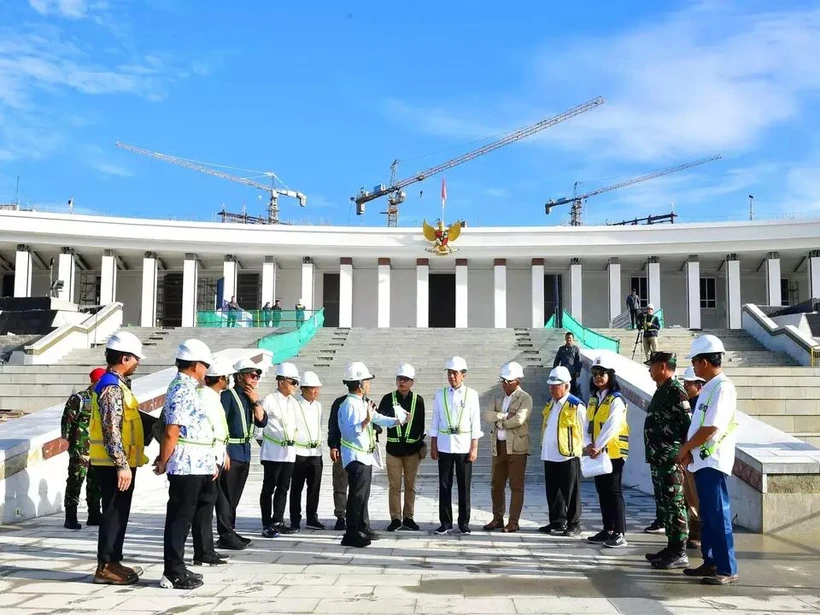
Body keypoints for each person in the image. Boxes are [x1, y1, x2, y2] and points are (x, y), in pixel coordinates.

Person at [156, 339, 224, 590]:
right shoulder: (181, 389)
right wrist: (163, 460)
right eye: (205, 365)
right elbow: (172, 430)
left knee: (186, 517)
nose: (206, 370)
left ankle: (179, 566)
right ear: (196, 365)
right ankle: (172, 572)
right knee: (179, 519)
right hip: (186, 465)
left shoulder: (188, 387)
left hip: (198, 463)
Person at [675, 335, 739, 585]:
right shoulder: (710, 387)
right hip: (701, 460)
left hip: (712, 460)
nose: (694, 365)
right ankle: (711, 562)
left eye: (695, 361)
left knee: (718, 515)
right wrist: (689, 450)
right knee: (708, 516)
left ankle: (726, 568)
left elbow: (711, 427)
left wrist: (686, 448)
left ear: (703, 361)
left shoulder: (723, 388)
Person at [88, 331, 148, 585]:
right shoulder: (111, 387)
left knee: (119, 513)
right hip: (113, 464)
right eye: (135, 359)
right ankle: (105, 567)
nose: (138, 363)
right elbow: (111, 427)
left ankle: (114, 561)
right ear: (124, 358)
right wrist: (122, 464)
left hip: (119, 462)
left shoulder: (117, 384)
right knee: (113, 513)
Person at [337, 362, 406, 547]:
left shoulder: (361, 402)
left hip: (364, 456)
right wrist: (365, 421)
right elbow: (350, 433)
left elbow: (377, 418)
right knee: (356, 496)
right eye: (367, 381)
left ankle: (360, 528)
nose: (369, 384)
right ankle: (350, 534)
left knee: (363, 495)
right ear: (359, 384)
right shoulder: (349, 405)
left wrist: (397, 421)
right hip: (355, 456)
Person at [644, 351, 692, 571]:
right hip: (659, 458)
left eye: (652, 366)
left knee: (675, 504)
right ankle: (671, 547)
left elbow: (687, 425)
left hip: (671, 459)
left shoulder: (675, 391)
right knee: (665, 504)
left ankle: (679, 551)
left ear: (662, 367)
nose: (649, 369)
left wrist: (683, 454)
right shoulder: (662, 390)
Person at [216, 358, 268, 550]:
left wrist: (255, 401)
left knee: (235, 496)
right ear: (239, 377)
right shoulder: (228, 396)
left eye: (257, 376)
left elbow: (262, 422)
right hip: (231, 452)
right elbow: (219, 425)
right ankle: (225, 534)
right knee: (225, 496)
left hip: (244, 452)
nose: (255, 379)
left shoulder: (250, 397)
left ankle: (230, 530)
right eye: (252, 375)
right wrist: (223, 452)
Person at [430, 356, 483, 535]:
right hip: (445, 445)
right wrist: (433, 444)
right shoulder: (440, 394)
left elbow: (475, 422)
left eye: (455, 373)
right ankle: (445, 522)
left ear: (463, 375)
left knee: (464, 486)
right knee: (444, 485)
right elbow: (435, 419)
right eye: (449, 373)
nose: (451, 376)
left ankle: (464, 522)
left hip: (464, 446)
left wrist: (474, 447)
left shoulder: (472, 394)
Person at [585, 354, 630, 548]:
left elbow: (612, 425)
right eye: (595, 373)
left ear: (611, 375)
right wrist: (588, 444)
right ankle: (608, 529)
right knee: (602, 492)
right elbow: (585, 424)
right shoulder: (594, 400)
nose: (598, 377)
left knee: (613, 491)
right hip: (598, 452)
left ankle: (619, 533)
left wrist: (598, 445)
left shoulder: (616, 400)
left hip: (613, 453)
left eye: (602, 373)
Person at [483, 361, 532, 534]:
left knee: (516, 486)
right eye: (503, 380)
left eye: (508, 381)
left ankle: (513, 521)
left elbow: (519, 419)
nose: (504, 384)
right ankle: (497, 518)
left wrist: (501, 423)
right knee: (496, 484)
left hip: (517, 449)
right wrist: (503, 416)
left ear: (517, 381)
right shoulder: (498, 397)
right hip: (499, 446)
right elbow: (487, 415)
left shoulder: (525, 398)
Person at [538, 366, 586, 537]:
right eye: (550, 385)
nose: (552, 389)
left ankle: (574, 523)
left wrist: (585, 450)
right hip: (550, 454)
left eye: (556, 385)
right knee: (553, 491)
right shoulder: (550, 404)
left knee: (571, 492)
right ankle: (557, 521)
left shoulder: (576, 405)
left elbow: (584, 429)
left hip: (568, 455)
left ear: (567, 386)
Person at [379, 364, 426, 532]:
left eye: (405, 379)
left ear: (412, 382)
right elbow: (379, 419)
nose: (402, 382)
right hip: (393, 449)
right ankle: (395, 518)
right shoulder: (387, 398)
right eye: (399, 379)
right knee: (394, 485)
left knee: (410, 485)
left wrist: (421, 446)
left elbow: (420, 425)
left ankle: (409, 517)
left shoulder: (418, 400)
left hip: (412, 450)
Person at [259, 362, 301, 536]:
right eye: (293, 382)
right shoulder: (269, 399)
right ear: (282, 381)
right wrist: (267, 445)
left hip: (289, 452)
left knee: (284, 488)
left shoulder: (294, 403)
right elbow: (258, 428)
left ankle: (278, 519)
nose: (295, 387)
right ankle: (266, 523)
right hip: (272, 452)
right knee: (269, 487)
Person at [62, 367, 105, 530]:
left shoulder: (103, 399)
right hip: (80, 448)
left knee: (95, 483)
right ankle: (70, 516)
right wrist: (65, 440)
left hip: (98, 449)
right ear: (95, 381)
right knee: (76, 480)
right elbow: (67, 421)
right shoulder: (80, 398)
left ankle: (94, 514)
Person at [199, 358, 233, 548]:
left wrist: (223, 453)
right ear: (220, 378)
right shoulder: (205, 397)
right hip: (208, 459)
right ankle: (205, 549)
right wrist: (212, 459)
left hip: (216, 456)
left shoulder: (214, 396)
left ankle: (206, 548)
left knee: (210, 502)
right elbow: (206, 431)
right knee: (205, 505)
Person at [290, 370, 326, 531]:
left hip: (315, 453)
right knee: (296, 488)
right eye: (312, 388)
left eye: (317, 388)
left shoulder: (318, 406)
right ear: (303, 389)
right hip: (299, 453)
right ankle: (295, 519)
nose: (316, 391)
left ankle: (312, 517)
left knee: (314, 487)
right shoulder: (294, 404)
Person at [680, 366, 706, 551]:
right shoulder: (688, 403)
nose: (684, 387)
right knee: (689, 496)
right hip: (687, 457)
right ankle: (694, 532)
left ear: (699, 385)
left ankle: (700, 534)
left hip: (699, 458)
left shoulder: (702, 404)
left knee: (698, 497)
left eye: (688, 384)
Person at [327, 390, 350, 531]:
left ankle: (357, 516)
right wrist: (333, 446)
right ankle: (341, 516)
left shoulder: (368, 403)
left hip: (361, 454)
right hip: (342, 451)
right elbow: (333, 426)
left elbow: (377, 427)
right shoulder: (340, 403)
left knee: (359, 489)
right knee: (340, 486)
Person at [553, 332, 582, 397]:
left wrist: (578, 371)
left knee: (573, 388)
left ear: (573, 339)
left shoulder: (576, 349)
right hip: (563, 373)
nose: (569, 340)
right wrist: (555, 370)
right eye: (567, 338)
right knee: (563, 387)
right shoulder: (561, 349)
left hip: (573, 373)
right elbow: (557, 360)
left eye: (570, 338)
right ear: (565, 339)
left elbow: (579, 361)